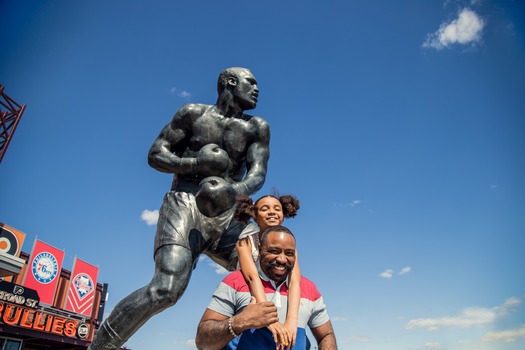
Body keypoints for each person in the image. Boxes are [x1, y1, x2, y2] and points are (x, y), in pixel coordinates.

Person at [88, 67, 270, 350]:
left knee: (266, 274)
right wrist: (195, 165)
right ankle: (99, 348)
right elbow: (156, 153)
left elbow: (257, 175)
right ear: (231, 83)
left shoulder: (256, 127)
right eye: (252, 82)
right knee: (166, 289)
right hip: (186, 204)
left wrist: (232, 191)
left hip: (226, 213)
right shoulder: (193, 114)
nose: (257, 89)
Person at [195, 225, 338, 350]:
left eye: (289, 253)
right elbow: (202, 341)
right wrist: (240, 322)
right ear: (260, 249)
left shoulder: (308, 288)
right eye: (274, 251)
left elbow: (326, 335)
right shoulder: (235, 281)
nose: (282, 259)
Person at [234, 194, 301, 348]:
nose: (271, 212)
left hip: (275, 294)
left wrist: (292, 321)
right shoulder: (245, 243)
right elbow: (252, 278)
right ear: (255, 217)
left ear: (283, 216)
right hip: (252, 295)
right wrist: (270, 319)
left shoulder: (290, 245)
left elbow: (295, 281)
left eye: (277, 209)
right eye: (265, 209)